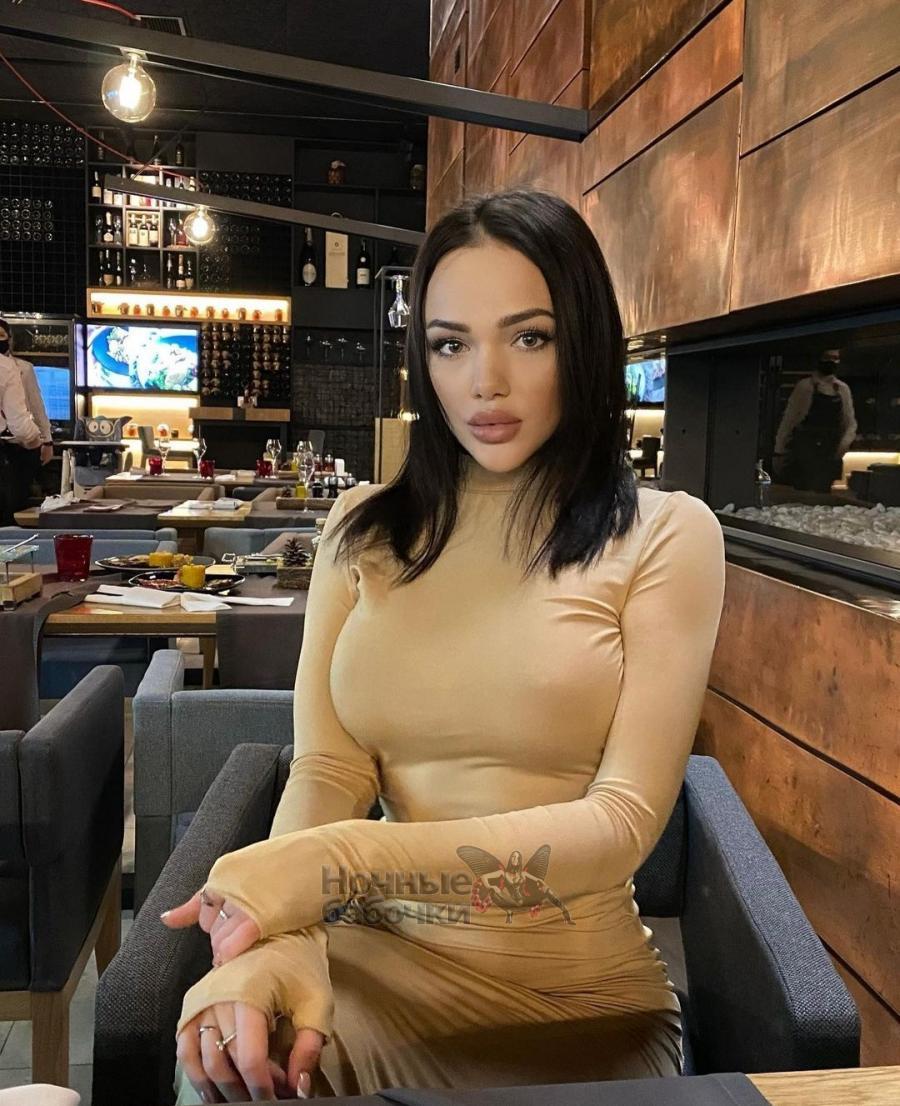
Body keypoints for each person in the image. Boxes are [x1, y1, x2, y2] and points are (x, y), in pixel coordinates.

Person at [162, 190, 726, 1103]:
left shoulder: (667, 534)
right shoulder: (362, 526)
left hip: (576, 1002)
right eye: (450, 344)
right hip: (374, 963)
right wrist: (283, 943)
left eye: (529, 337)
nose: (484, 382)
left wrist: (328, 870)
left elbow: (621, 826)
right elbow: (330, 770)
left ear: (585, 342)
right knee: (233, 1067)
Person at [773, 349, 858, 493]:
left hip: (829, 455)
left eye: (835, 358)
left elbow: (850, 423)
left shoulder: (842, 389)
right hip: (804, 454)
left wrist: (842, 446)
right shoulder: (805, 387)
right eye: (827, 358)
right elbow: (789, 420)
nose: (831, 362)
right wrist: (779, 450)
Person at [0, 317, 48, 525]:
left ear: (10, 339)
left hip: (12, 447)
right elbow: (20, 425)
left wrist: (47, 439)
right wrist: (36, 440)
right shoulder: (7, 368)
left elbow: (36, 405)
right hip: (13, 447)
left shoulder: (23, 368)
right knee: (9, 510)